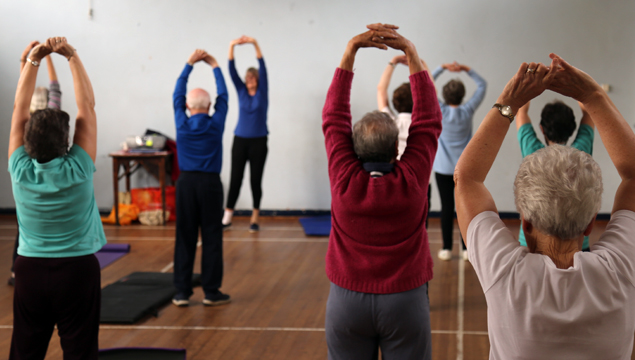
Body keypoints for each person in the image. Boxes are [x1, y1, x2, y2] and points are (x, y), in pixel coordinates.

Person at [455, 54, 635, 359]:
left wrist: (510, 100)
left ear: (524, 222)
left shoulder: (505, 274)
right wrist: (593, 96)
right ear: (591, 223)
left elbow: (467, 178)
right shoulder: (621, 271)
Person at [323, 24, 441, 359]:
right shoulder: (413, 180)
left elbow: (333, 119)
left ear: (353, 150)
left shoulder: (344, 179)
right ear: (396, 151)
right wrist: (412, 55)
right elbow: (429, 121)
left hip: (346, 301)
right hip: (406, 301)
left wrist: (350, 52)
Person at [8, 37, 104, 359]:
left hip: (29, 272)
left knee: (25, 351)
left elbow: (19, 109)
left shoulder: (19, 169)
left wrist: (33, 60)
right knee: (80, 351)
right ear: (66, 142)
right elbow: (86, 107)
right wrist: (71, 55)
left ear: (26, 141)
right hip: (78, 271)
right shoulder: (78, 167)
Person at [172, 49, 230, 307]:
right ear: (208, 107)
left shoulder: (181, 124)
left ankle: (182, 292)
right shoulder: (215, 123)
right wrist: (215, 65)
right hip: (210, 185)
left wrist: (189, 64)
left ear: (187, 106)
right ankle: (211, 291)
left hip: (185, 184)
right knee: (211, 237)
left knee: (184, 236)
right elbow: (224, 96)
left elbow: (177, 94)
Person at [8, 41, 63, 286]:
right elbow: (56, 87)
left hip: (28, 175)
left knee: (24, 223)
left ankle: (15, 270)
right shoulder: (52, 114)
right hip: (53, 171)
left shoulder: (24, 119)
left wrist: (27, 59)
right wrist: (48, 56)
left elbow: (22, 94)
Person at [516, 99, 594, 250]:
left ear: (542, 129)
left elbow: (521, 111)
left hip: (533, 242)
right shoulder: (581, 153)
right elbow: (588, 112)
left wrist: (532, 81)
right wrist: (575, 87)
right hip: (576, 244)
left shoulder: (532, 153)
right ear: (572, 129)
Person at [432, 61, 486, 261]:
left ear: (445, 96)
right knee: (464, 208)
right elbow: (482, 86)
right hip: (463, 169)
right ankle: (465, 249)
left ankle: (446, 248)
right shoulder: (467, 110)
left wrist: (442, 68)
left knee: (446, 208)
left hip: (442, 169)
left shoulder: (441, 111)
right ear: (462, 95)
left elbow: (427, 84)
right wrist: (466, 69)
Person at [376, 55, 432, 228]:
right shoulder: (423, 124)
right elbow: (430, 92)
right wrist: (421, 64)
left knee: (394, 224)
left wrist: (392, 63)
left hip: (393, 178)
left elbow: (380, 90)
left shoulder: (390, 121)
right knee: (420, 226)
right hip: (420, 180)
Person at [222, 36, 269, 232]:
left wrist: (254, 43)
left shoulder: (262, 92)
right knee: (236, 178)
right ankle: (227, 217)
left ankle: (255, 217)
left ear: (257, 80)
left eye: (253, 77)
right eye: (247, 77)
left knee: (255, 181)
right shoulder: (240, 90)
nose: (249, 80)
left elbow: (262, 66)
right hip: (240, 140)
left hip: (259, 142)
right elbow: (231, 70)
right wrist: (232, 45)